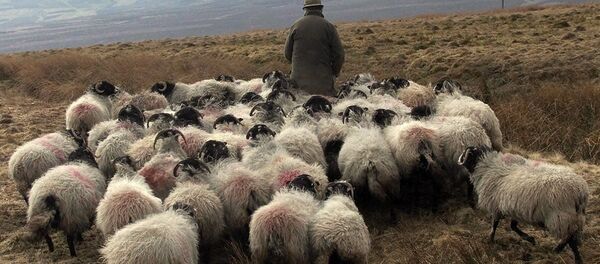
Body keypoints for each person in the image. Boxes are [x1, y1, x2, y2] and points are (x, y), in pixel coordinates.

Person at [284, 0, 345, 97]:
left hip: (298, 86)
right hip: (324, 87)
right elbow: (339, 55)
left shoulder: (296, 26)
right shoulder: (329, 27)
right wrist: (334, 73)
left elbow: (287, 54)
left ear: (305, 9)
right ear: (321, 9)